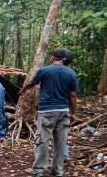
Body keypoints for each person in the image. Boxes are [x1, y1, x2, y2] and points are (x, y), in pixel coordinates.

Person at [19, 48, 78, 177]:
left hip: (47, 111)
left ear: (52, 57)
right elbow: (73, 95)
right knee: (61, 143)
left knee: (42, 141)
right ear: (64, 59)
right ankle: (57, 171)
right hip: (64, 111)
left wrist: (23, 90)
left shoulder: (44, 70)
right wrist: (73, 113)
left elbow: (32, 83)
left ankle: (39, 171)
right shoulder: (71, 73)